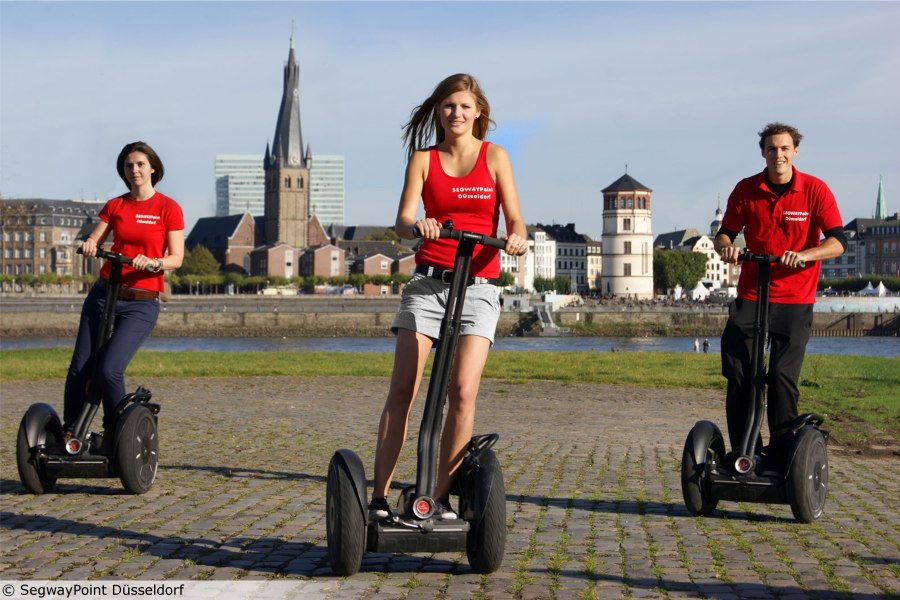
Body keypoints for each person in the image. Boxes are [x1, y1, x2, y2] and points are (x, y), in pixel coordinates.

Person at [370, 74, 528, 521]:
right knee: (404, 389)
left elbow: (516, 220)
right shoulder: (423, 159)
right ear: (437, 112)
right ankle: (380, 498)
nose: (455, 114)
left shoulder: (496, 157)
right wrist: (417, 225)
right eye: (447, 106)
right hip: (428, 285)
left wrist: (515, 238)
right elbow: (402, 219)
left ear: (478, 112)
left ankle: (437, 499)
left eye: (463, 106)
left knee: (461, 393)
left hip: (478, 288)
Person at [715, 122, 845, 465]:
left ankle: (783, 452)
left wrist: (805, 254)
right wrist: (727, 248)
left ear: (795, 151)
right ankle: (746, 449)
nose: (779, 155)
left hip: (795, 300)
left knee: (782, 378)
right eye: (772, 149)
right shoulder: (746, 190)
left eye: (785, 148)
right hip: (752, 296)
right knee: (739, 372)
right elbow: (724, 235)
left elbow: (837, 242)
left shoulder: (815, 190)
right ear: (763, 153)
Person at [63, 141, 184, 453]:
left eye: (141, 164)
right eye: (129, 166)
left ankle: (116, 433)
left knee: (109, 369)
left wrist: (155, 262)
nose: (135, 170)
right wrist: (90, 243)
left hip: (142, 301)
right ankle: (70, 432)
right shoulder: (115, 206)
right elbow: (95, 236)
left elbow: (177, 257)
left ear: (153, 168)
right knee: (80, 367)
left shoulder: (168, 208)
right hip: (104, 295)